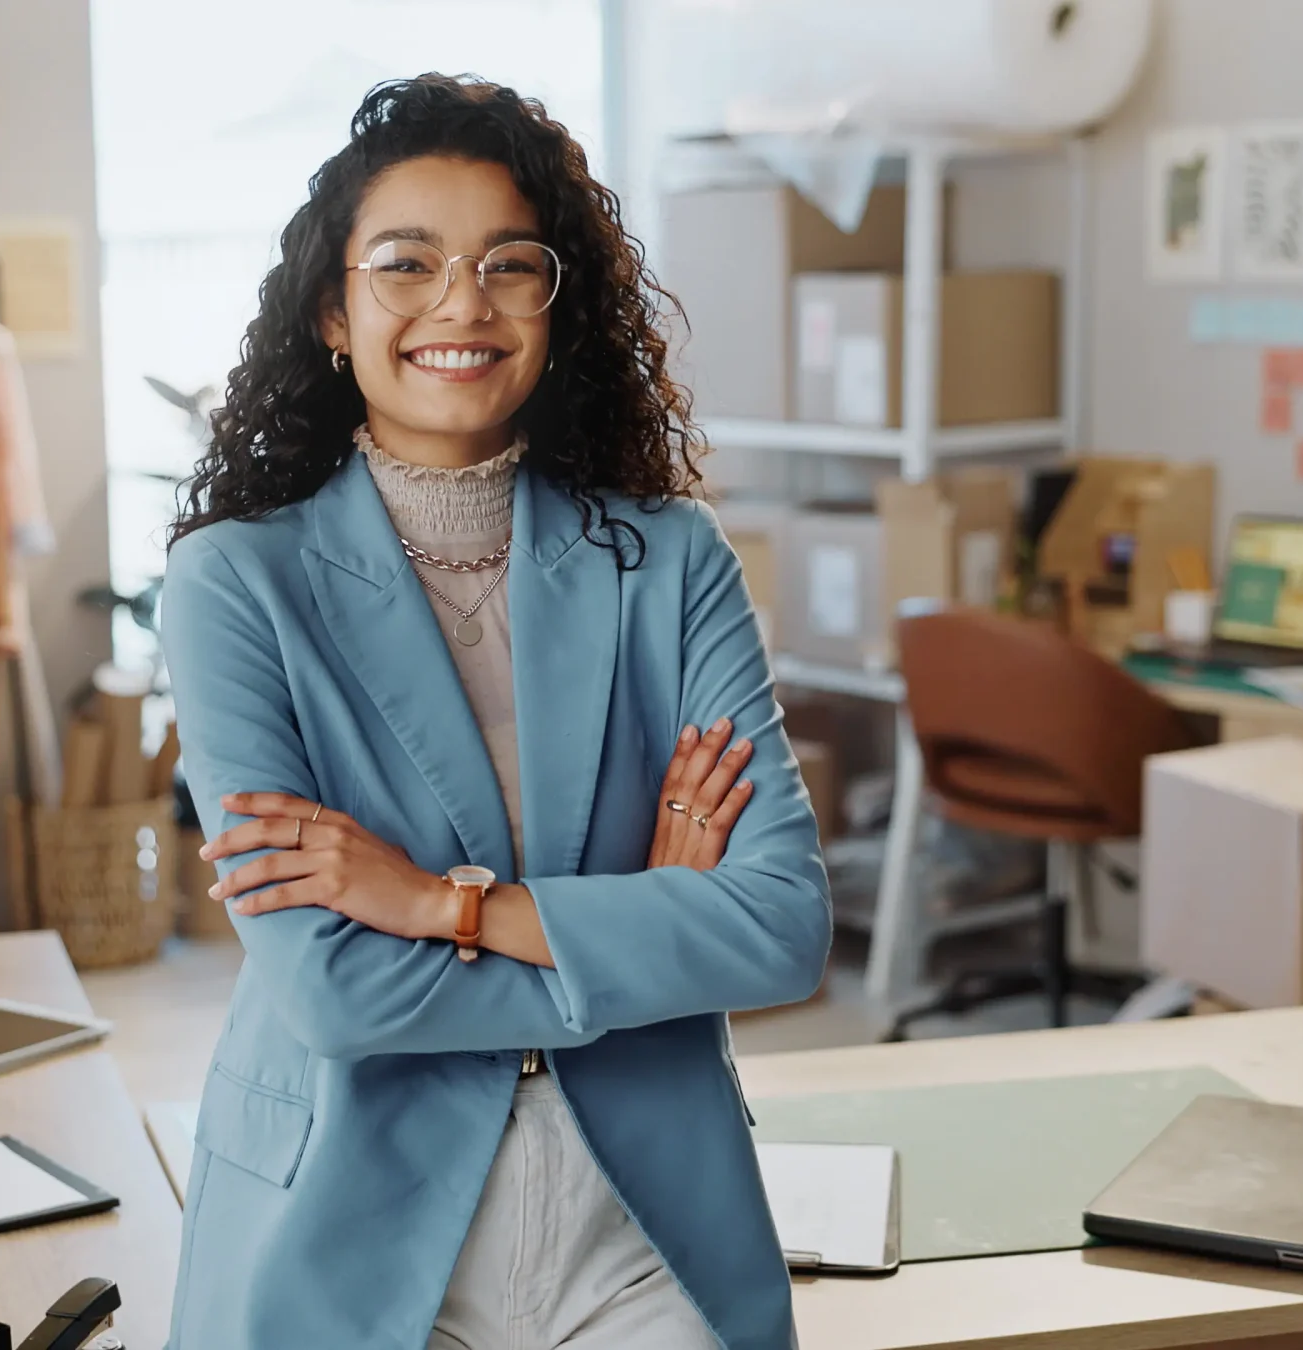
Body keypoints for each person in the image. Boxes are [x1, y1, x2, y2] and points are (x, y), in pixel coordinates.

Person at [157, 73, 830, 1350]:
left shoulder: (669, 561)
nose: (461, 304)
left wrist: (434, 904)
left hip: (639, 1215)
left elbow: (783, 928)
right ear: (332, 314)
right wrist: (648, 932)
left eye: (510, 266)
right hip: (349, 1208)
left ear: (555, 309)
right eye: (407, 264)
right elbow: (336, 998)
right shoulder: (235, 584)